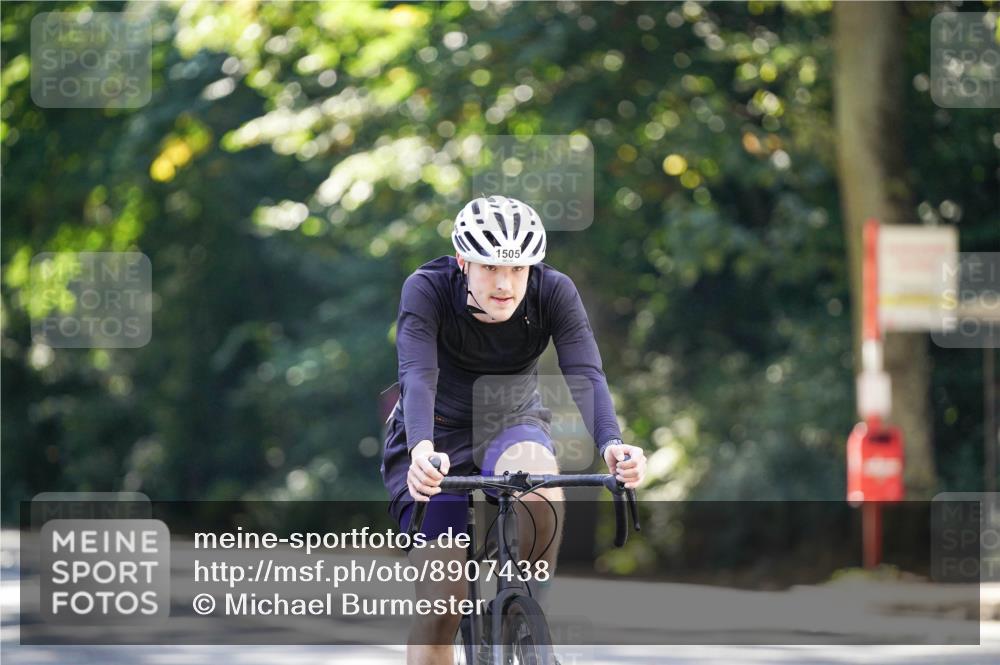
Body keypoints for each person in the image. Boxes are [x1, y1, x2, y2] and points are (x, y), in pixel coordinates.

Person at [380, 194, 646, 665]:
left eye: (518, 269)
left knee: (540, 482)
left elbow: (585, 373)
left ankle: (525, 614)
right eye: (489, 268)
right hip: (433, 438)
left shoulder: (554, 292)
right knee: (441, 604)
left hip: (512, 421)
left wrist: (612, 443)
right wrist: (421, 449)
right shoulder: (427, 289)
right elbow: (417, 376)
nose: (505, 284)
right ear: (463, 261)